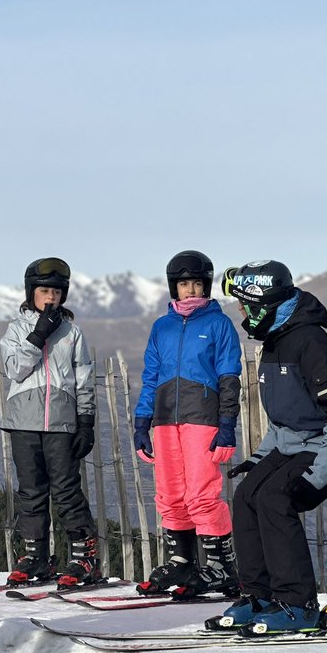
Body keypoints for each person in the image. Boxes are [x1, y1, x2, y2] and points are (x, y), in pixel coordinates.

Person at [214, 260, 327, 632]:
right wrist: (257, 460)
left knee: (275, 499)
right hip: (297, 443)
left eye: (243, 304)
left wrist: (316, 476)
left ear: (261, 304)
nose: (239, 312)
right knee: (246, 496)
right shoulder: (276, 341)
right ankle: (261, 596)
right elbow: (285, 421)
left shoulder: (311, 344)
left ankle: (299, 605)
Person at [133, 250, 243, 598]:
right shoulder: (161, 327)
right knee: (170, 493)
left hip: (203, 419)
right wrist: (142, 421)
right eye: (184, 284)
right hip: (165, 420)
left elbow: (229, 375)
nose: (191, 290)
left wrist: (227, 424)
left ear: (206, 285)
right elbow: (151, 376)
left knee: (202, 493)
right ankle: (182, 561)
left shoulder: (218, 324)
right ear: (173, 288)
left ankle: (221, 567)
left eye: (197, 283)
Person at [0, 257, 100, 588]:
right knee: (30, 492)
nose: (50, 298)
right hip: (23, 422)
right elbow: (15, 369)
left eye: (56, 293)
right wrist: (39, 335)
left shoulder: (72, 333)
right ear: (31, 293)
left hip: (61, 422)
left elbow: (84, 379)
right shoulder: (15, 331)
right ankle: (35, 556)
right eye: (44, 291)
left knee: (67, 490)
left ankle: (84, 556)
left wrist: (86, 421)